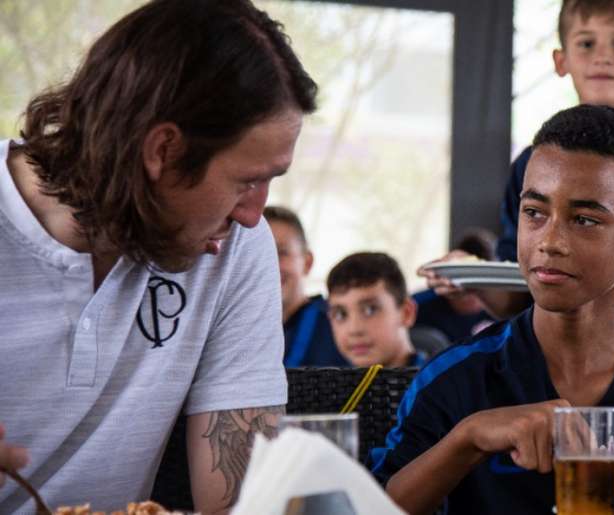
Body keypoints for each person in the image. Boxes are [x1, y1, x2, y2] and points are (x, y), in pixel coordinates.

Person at [372, 105, 614, 515]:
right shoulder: (455, 381)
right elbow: (371, 509)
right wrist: (468, 439)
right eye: (534, 213)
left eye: (583, 219)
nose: (550, 241)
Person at [0, 1, 317, 513]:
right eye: (248, 181)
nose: (255, 216)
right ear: (163, 151)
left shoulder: (234, 248)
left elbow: (245, 503)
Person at [424, 0, 614, 352]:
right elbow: (516, 298)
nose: (603, 57)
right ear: (561, 60)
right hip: (550, 371)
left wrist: (605, 255)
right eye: (586, 44)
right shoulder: (532, 162)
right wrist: (473, 278)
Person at [265, 206, 348, 367]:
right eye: (257, 254)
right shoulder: (236, 332)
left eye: (282, 253)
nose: (269, 265)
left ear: (307, 263)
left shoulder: (338, 324)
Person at [327, 252, 426, 368]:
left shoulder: (440, 383)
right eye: (340, 314)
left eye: (370, 310)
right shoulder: (324, 383)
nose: (354, 330)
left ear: (406, 313)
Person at [412, 229, 497, 343]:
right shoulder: (417, 307)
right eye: (465, 279)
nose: (470, 292)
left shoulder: (506, 312)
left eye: (480, 282)